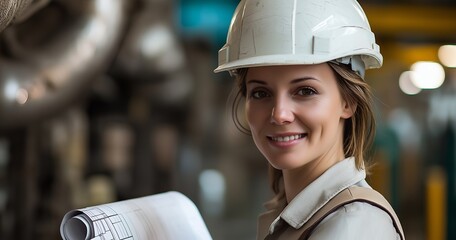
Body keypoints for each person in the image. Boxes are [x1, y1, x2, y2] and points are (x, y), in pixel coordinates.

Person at [214, 0, 405, 239]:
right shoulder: (296, 215)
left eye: (305, 91)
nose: (279, 114)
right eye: (260, 93)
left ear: (348, 102)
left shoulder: (352, 225)